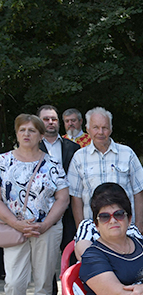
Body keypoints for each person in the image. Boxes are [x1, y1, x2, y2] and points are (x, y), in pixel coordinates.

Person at [0, 114, 69, 295]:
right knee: (13, 282)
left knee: (43, 281)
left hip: (46, 230)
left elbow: (63, 198)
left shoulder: (52, 164)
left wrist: (46, 223)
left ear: (41, 135)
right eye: (22, 130)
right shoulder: (3, 161)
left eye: (32, 130)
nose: (27, 134)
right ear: (16, 134)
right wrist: (15, 223)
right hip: (14, 230)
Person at [67, 107, 143, 234]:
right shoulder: (79, 157)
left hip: (125, 227)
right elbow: (76, 197)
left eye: (104, 127)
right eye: (95, 127)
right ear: (88, 129)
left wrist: (139, 223)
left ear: (110, 129)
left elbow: (138, 191)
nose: (100, 132)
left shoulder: (127, 153)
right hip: (93, 229)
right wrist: (81, 229)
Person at [37, 105, 80, 269]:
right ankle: (50, 294)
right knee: (45, 260)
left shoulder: (73, 148)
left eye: (53, 119)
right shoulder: (32, 148)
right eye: (46, 119)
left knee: (72, 253)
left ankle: (71, 292)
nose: (50, 122)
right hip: (43, 210)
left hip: (69, 209)